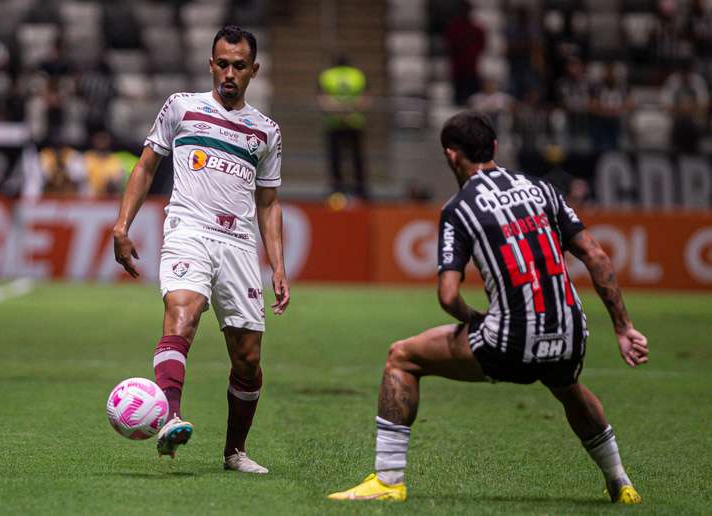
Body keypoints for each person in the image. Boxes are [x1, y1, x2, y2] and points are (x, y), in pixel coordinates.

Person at [328, 111, 648, 503]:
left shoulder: (459, 208)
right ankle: (620, 482)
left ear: (450, 155)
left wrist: (475, 320)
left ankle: (388, 481)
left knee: (401, 357)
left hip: (510, 342)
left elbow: (447, 296)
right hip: (569, 335)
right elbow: (596, 256)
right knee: (567, 386)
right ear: (494, 147)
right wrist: (623, 327)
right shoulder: (542, 188)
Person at [112, 25, 290, 474]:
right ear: (211, 64)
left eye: (239, 66)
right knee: (182, 314)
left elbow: (268, 203)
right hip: (188, 229)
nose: (229, 73)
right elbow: (146, 165)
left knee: (248, 358)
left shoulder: (266, 132)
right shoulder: (181, 107)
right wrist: (122, 225)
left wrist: (279, 266)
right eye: (222, 63)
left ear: (254, 70)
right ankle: (169, 417)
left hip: (239, 245)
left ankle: (234, 452)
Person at [318, 55, 369, 200]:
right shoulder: (357, 75)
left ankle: (337, 189)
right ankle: (360, 190)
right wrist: (349, 109)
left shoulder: (327, 76)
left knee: (336, 158)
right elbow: (365, 99)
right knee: (357, 158)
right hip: (354, 122)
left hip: (334, 122)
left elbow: (323, 101)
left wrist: (338, 110)